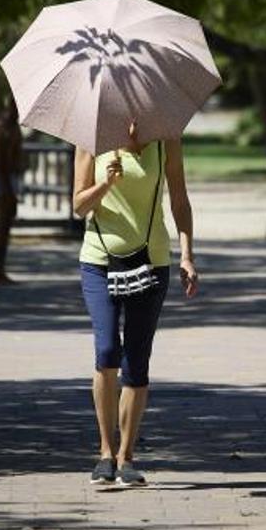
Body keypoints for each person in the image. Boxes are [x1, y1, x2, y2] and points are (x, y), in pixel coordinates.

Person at [72, 119, 198, 487]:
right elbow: (79, 206)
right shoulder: (90, 138)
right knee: (108, 349)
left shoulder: (166, 138)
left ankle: (127, 456)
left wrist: (187, 254)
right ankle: (105, 452)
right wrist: (106, 183)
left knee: (137, 360)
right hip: (99, 259)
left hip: (152, 259)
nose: (129, 117)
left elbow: (179, 198)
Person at [0, 99, 23, 284]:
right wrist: (9, 189)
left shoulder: (13, 126)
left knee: (6, 224)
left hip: (8, 176)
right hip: (1, 177)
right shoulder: (2, 126)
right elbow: (0, 161)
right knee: (2, 224)